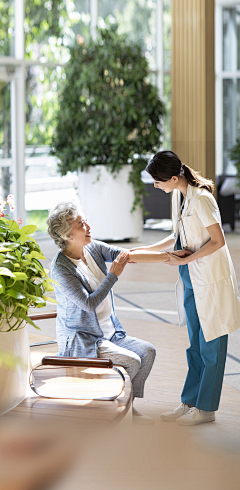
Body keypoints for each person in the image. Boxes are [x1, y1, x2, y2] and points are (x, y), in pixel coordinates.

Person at [130, 150, 240, 426]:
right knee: (195, 347)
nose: (156, 185)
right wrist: (141, 250)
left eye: (158, 181)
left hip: (210, 281)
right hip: (192, 279)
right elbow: (176, 237)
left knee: (211, 347)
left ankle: (205, 409)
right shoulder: (180, 197)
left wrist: (188, 258)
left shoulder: (202, 198)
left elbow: (218, 240)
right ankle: (190, 401)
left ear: (174, 177)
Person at [46, 201, 157, 423]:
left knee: (147, 352)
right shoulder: (60, 269)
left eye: (85, 220)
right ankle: (110, 410)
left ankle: (129, 407)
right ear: (68, 235)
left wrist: (168, 255)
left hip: (109, 331)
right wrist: (113, 275)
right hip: (83, 339)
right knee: (133, 361)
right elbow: (88, 304)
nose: (88, 226)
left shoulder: (92, 248)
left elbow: (125, 254)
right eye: (81, 224)